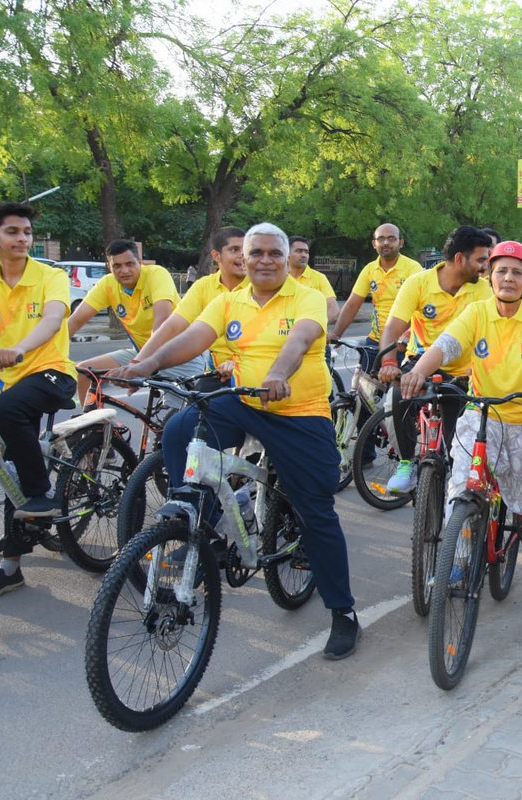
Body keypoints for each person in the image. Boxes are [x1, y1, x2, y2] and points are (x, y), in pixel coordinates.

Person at [116, 222, 361, 658]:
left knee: (317, 513)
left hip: (297, 411)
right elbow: (194, 338)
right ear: (242, 260)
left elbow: (302, 339)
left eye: (274, 253)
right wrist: (145, 364)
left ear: (286, 260)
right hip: (243, 401)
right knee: (178, 430)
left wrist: (277, 374)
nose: (265, 260)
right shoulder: (229, 300)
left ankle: (342, 613)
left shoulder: (304, 296)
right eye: (256, 253)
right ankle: (203, 520)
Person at [399, 240, 522, 619]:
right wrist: (418, 371)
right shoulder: (477, 312)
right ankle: (459, 555)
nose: (508, 278)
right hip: (483, 416)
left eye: (517, 272)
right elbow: (446, 344)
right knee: (462, 489)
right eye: (501, 270)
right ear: (489, 275)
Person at [0, 203, 79, 598]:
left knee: (5, 415)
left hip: (51, 372)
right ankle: (10, 568)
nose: (22, 239)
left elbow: (53, 319)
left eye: (26, 232)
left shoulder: (50, 275)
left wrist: (19, 349)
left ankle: (41, 493)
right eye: (13, 232)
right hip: (8, 379)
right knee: (8, 463)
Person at [376, 226, 493, 493]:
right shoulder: (418, 283)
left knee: (459, 446)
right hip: (420, 363)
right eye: (481, 260)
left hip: (464, 373)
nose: (485, 268)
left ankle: (457, 494)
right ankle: (406, 463)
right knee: (396, 397)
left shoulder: (484, 291)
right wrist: (389, 363)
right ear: (460, 259)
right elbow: (393, 328)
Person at [67, 239, 207, 404]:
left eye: (130, 264)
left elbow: (162, 321)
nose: (124, 270)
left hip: (179, 354)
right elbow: (75, 320)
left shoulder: (156, 274)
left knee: (174, 421)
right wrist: (50, 357)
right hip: (142, 354)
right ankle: (91, 425)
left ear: (139, 262)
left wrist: (138, 365)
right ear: (109, 267)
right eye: (117, 266)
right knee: (84, 371)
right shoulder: (107, 284)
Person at [130, 227, 248, 376]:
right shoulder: (203, 286)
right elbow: (173, 326)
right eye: (235, 250)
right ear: (216, 256)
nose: (243, 255)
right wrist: (138, 363)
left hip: (256, 371)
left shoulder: (261, 286)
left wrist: (239, 364)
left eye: (247, 249)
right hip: (217, 372)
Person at [330, 222, 422, 371]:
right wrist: (336, 334)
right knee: (365, 389)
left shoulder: (413, 269)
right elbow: (352, 304)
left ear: (401, 243)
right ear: (374, 244)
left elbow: (421, 306)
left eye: (391, 238)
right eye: (381, 239)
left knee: (401, 391)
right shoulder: (369, 270)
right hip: (375, 340)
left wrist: (406, 335)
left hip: (404, 343)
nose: (386, 242)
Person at [288, 236, 339, 324]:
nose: (304, 255)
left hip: (310, 335)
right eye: (299, 251)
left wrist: (316, 327)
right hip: (282, 334)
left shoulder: (319, 278)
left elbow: (333, 309)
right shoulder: (278, 278)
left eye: (306, 252)